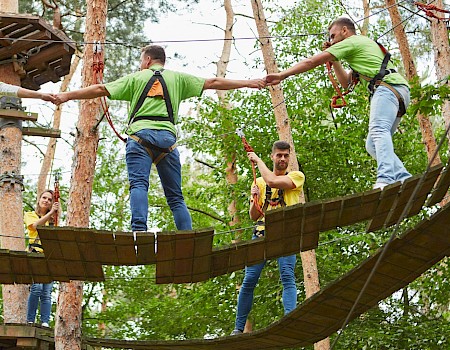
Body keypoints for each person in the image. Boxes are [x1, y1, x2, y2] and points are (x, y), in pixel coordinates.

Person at [53, 45, 266, 232]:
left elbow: (100, 89)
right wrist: (248, 83)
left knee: (138, 185)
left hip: (140, 138)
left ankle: (139, 231)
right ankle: (187, 236)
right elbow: (213, 82)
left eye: (140, 61)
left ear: (147, 60)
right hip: (168, 141)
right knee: (175, 197)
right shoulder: (178, 78)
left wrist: (66, 96)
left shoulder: (137, 77)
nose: (139, 65)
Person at [266, 17, 411, 189]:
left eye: (333, 36)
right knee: (372, 144)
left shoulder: (352, 41)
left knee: (379, 130)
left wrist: (282, 75)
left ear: (344, 30)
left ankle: (386, 178)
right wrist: (335, 60)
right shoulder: (361, 47)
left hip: (387, 89)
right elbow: (345, 83)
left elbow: (311, 61)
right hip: (397, 90)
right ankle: (403, 176)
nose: (331, 41)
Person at [231, 140, 305, 335]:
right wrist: (255, 199)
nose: (282, 159)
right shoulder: (259, 182)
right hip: (261, 232)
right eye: (279, 155)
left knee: (287, 275)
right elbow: (254, 216)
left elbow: (273, 181)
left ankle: (289, 319)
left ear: (289, 158)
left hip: (285, 234)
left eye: (285, 155)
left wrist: (257, 160)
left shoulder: (296, 177)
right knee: (249, 280)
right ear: (273, 156)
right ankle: (238, 328)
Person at [24, 190, 59, 327]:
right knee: (37, 287)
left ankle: (45, 321)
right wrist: (51, 213)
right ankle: (30, 320)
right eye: (44, 198)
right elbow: (35, 226)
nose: (46, 201)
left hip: (49, 257)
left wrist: (52, 216)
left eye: (49, 200)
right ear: (39, 199)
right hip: (35, 254)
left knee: (46, 292)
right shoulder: (30, 215)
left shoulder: (52, 222)